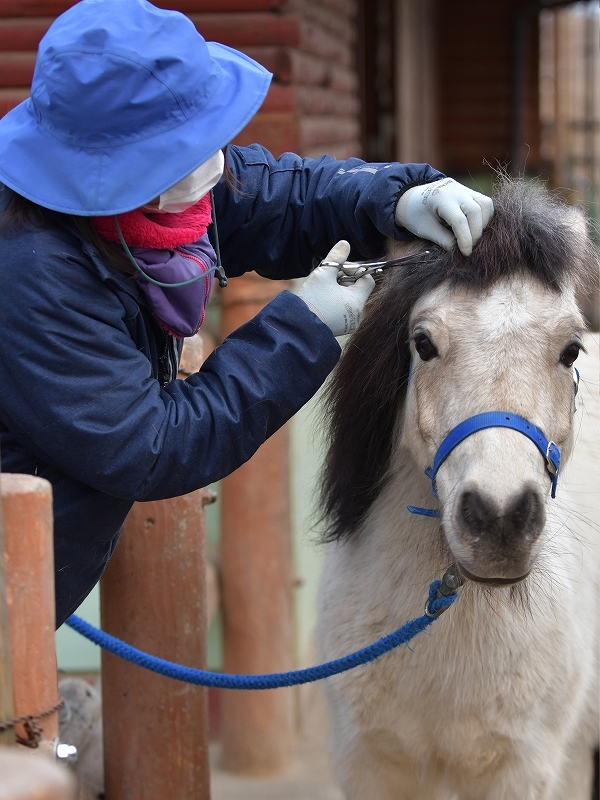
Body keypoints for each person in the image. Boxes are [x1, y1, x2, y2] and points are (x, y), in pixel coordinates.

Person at [0, 0, 493, 628]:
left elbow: (270, 195)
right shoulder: (32, 275)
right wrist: (303, 329)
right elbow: (153, 444)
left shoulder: (142, 199)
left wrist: (394, 198)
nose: (214, 166)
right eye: (184, 153)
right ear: (112, 170)